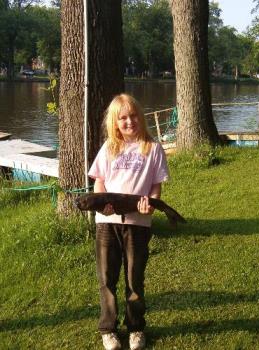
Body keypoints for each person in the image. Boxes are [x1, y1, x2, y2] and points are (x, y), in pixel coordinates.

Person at [88, 93, 169, 350]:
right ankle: (108, 329)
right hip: (106, 223)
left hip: (138, 224)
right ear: (115, 122)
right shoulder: (109, 147)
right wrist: (102, 201)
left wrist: (150, 205)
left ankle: (135, 328)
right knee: (106, 278)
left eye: (133, 116)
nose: (129, 121)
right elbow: (99, 180)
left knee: (135, 279)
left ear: (140, 117)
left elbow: (155, 186)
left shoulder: (152, 147)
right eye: (122, 118)